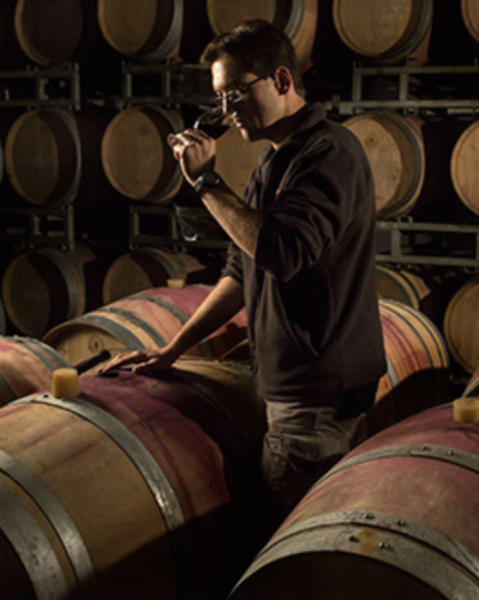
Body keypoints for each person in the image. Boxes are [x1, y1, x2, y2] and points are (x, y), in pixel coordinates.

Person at [101, 19, 386, 531]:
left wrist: (207, 183)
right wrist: (174, 349)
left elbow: (281, 251)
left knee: (285, 547)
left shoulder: (328, 155)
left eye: (235, 94)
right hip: (296, 394)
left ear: (281, 80)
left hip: (313, 399)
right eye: (220, 98)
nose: (227, 113)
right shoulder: (273, 164)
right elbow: (242, 270)